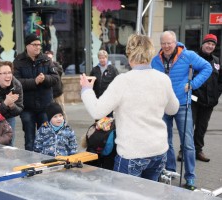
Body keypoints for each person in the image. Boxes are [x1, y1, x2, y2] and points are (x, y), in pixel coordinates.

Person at [80, 34, 179, 181]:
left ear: (129, 54)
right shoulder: (163, 78)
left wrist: (86, 90)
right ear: (151, 52)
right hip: (158, 151)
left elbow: (97, 111)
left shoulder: (123, 81)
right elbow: (173, 109)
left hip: (132, 152)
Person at [151, 30, 212, 190]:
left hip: (182, 104)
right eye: (163, 43)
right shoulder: (155, 60)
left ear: (175, 42)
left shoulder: (188, 55)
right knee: (166, 141)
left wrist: (193, 85)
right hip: (163, 105)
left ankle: (190, 177)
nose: (166, 46)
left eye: (169, 43)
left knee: (188, 143)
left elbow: (207, 67)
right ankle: (171, 171)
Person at [13, 33, 59, 151]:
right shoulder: (18, 61)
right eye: (35, 45)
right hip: (27, 107)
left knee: (45, 138)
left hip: (45, 106)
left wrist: (45, 79)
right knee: (30, 140)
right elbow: (16, 82)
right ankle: (31, 163)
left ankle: (44, 162)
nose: (38, 47)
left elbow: (55, 78)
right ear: (27, 46)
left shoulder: (46, 60)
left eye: (39, 45)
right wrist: (34, 82)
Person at [191, 34, 222, 162]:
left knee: (202, 127)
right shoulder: (194, 58)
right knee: (188, 125)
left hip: (209, 102)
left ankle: (198, 150)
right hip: (194, 100)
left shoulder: (217, 61)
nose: (210, 46)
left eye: (213, 44)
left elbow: (220, 81)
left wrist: (216, 96)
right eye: (208, 43)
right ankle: (184, 150)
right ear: (203, 44)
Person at [45, 50, 66, 118]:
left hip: (58, 93)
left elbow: (59, 71)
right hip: (48, 93)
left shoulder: (56, 65)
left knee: (61, 110)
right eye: (48, 58)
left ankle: (64, 124)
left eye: (50, 58)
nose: (49, 60)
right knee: (50, 111)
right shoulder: (43, 66)